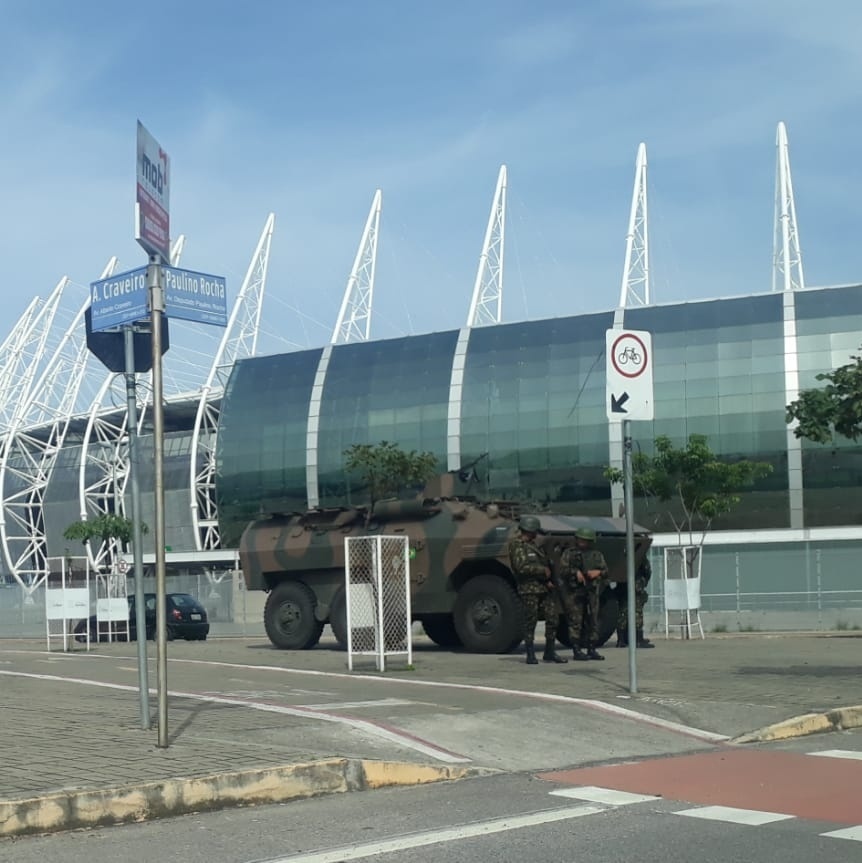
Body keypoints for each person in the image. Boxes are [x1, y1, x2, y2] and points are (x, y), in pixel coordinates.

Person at [507, 515, 567, 665]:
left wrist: (548, 580)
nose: (537, 534)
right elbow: (521, 567)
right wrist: (541, 571)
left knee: (553, 618)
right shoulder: (517, 545)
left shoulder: (535, 546)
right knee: (531, 620)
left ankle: (550, 652)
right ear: (529, 530)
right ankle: (530, 653)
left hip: (544, 588)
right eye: (534, 531)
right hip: (529, 589)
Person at [560, 527, 607, 661]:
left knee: (593, 620)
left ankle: (592, 648)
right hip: (575, 592)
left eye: (585, 540)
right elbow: (562, 570)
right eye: (580, 539)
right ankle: (576, 649)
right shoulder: (569, 554)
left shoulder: (596, 555)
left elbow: (606, 571)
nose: (582, 542)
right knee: (576, 621)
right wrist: (575, 572)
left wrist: (598, 572)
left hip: (592, 591)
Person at [615, 557, 654, 648]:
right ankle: (638, 640)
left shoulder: (623, 556)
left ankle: (621, 640)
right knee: (637, 612)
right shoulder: (639, 555)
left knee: (623, 613)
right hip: (636, 586)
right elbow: (647, 569)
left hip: (623, 586)